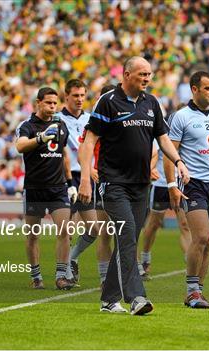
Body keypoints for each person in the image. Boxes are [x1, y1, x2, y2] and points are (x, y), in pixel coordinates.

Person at [78, 56, 189, 315]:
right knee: (127, 233)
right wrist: (85, 178)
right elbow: (89, 141)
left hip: (141, 184)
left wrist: (179, 161)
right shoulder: (107, 102)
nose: (147, 79)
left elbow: (163, 139)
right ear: (126, 75)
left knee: (128, 239)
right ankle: (136, 297)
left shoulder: (152, 103)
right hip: (113, 183)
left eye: (149, 74)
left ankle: (108, 300)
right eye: (142, 74)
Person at [163, 71, 209, 308]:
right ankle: (191, 291)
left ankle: (199, 291)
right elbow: (170, 153)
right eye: (208, 88)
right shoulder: (181, 117)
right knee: (199, 237)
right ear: (195, 90)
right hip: (193, 183)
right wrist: (171, 185)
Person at [15, 87, 77, 290]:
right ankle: (36, 276)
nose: (52, 106)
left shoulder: (61, 126)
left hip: (58, 188)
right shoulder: (27, 126)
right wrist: (40, 138)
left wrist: (70, 184)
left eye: (54, 103)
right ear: (38, 103)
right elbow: (20, 146)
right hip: (34, 189)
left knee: (65, 230)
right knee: (33, 235)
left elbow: (64, 155)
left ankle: (61, 276)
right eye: (48, 103)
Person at [53, 79, 110, 285]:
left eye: (82, 96)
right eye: (75, 96)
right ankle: (63, 274)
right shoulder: (56, 119)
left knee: (94, 229)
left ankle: (73, 258)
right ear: (66, 96)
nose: (79, 100)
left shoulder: (91, 119)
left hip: (87, 176)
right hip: (65, 178)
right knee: (66, 230)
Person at [138, 138, 192, 281]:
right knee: (154, 224)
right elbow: (153, 152)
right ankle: (145, 257)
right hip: (161, 183)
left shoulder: (184, 127)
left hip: (180, 184)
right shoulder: (161, 131)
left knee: (185, 225)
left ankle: (191, 263)